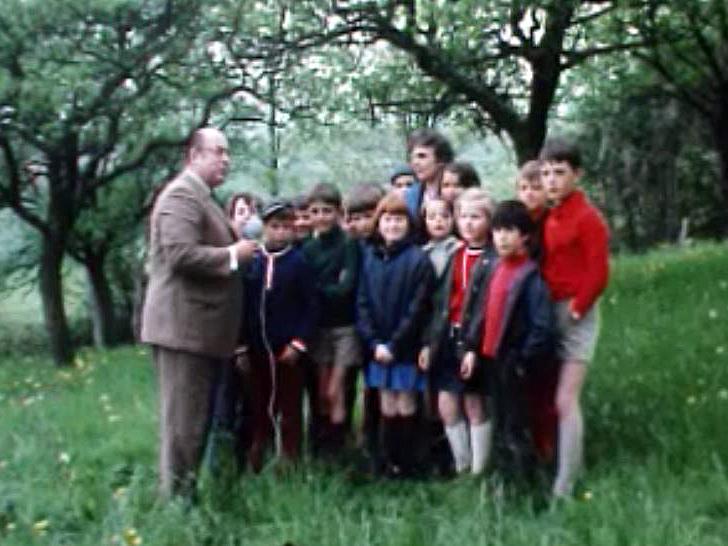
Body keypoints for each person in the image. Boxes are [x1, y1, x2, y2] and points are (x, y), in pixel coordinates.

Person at [141, 127, 257, 497]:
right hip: (183, 330)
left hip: (199, 332)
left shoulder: (202, 198)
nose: (226, 159)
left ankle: (184, 499)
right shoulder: (181, 195)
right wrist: (232, 255)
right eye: (218, 152)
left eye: (228, 152)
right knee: (182, 426)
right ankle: (177, 507)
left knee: (194, 425)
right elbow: (179, 254)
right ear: (194, 155)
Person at [460, 200, 556, 481]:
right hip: (492, 359)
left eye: (509, 231)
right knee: (500, 422)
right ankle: (502, 478)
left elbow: (542, 328)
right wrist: (471, 348)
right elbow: (483, 313)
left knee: (517, 425)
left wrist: (522, 359)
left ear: (524, 235)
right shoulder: (496, 268)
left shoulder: (530, 276)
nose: (501, 237)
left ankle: (524, 483)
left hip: (513, 362)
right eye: (498, 230)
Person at [539, 137, 610, 497]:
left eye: (560, 173)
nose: (552, 180)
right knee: (550, 396)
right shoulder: (550, 214)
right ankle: (564, 462)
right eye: (546, 173)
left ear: (576, 174)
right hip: (549, 309)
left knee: (566, 398)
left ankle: (564, 486)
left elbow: (599, 273)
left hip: (576, 310)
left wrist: (577, 309)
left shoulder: (587, 217)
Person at [357, 192, 435, 477]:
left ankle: (410, 463)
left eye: (399, 219)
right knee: (386, 401)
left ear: (409, 224)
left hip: (405, 345)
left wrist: (393, 344)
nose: (393, 225)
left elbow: (418, 309)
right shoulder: (370, 257)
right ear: (379, 223)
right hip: (377, 346)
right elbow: (362, 302)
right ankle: (389, 463)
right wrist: (374, 342)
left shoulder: (418, 260)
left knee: (406, 401)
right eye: (388, 219)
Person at [419, 188, 496, 475]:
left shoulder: (492, 259)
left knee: (474, 403)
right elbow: (440, 303)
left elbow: (486, 309)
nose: (468, 223)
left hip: (473, 341)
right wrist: (428, 343)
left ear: (489, 221)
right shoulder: (457, 254)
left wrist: (474, 347)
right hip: (447, 337)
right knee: (446, 404)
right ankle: (461, 464)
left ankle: (479, 470)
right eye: (463, 216)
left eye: (475, 217)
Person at [241, 200, 319, 471]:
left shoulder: (299, 263)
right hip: (256, 348)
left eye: (287, 226)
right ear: (264, 228)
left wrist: (299, 343)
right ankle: (258, 455)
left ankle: (290, 460)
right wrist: (241, 346)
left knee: (290, 406)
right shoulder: (253, 262)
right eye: (275, 226)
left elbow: (311, 307)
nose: (281, 232)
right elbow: (242, 305)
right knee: (258, 404)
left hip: (287, 351)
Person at [302, 182, 362, 454]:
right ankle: (324, 447)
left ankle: (340, 446)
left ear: (338, 212)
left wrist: (319, 287)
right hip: (319, 328)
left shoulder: (349, 245)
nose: (321, 217)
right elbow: (307, 289)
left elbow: (345, 288)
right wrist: (326, 287)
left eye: (327, 210)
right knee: (322, 390)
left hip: (344, 327)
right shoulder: (309, 249)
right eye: (315, 211)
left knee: (336, 389)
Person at [514, 159, 560, 464]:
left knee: (545, 384)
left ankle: (549, 449)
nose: (529, 194)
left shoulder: (551, 222)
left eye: (535, 188)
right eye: (523, 188)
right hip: (518, 308)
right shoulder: (515, 221)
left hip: (546, 302)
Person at [403, 129, 455, 218]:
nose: (415, 162)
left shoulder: (456, 194)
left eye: (422, 156)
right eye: (412, 158)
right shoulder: (408, 197)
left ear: (441, 160)